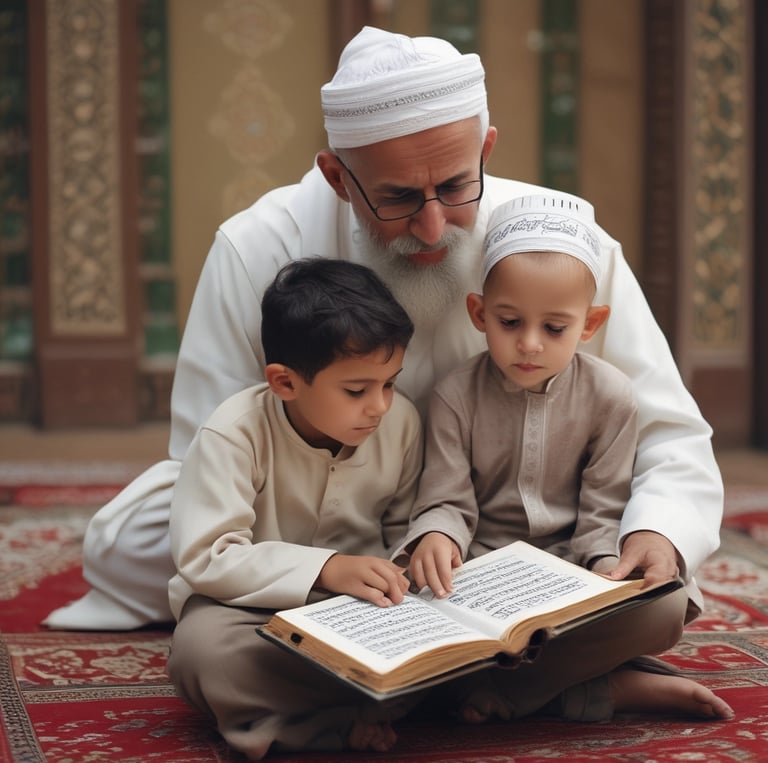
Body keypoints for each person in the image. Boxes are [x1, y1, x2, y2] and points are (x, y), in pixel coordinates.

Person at [44, 25, 723, 688]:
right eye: (398, 197)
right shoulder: (256, 248)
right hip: (318, 536)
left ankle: (382, 694)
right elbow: (213, 450)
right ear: (338, 177)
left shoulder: (562, 244)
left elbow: (669, 433)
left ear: (486, 148)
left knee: (661, 596)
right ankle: (546, 687)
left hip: (505, 541)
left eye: (457, 186)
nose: (431, 228)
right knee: (152, 553)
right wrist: (327, 566)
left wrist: (659, 534)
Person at [166, 258, 423, 758]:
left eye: (390, 383)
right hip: (250, 613)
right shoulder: (233, 433)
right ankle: (339, 722)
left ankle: (394, 694)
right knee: (202, 653)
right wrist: (328, 568)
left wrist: (409, 570)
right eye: (357, 390)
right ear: (285, 383)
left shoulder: (403, 423)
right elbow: (209, 557)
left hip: (365, 616)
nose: (380, 406)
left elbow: (403, 532)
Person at [394, 192, 640, 592]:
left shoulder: (610, 396)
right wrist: (438, 537)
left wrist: (605, 570)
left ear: (590, 324)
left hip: (573, 561)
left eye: (554, 328)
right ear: (480, 314)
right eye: (509, 322)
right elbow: (446, 499)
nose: (529, 344)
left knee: (663, 604)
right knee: (415, 590)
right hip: (477, 564)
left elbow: (604, 510)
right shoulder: (455, 395)